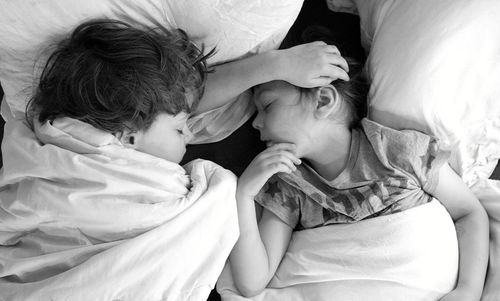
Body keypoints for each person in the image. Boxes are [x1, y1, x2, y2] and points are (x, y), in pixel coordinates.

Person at [229, 28, 489, 301]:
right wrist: (244, 194)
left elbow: (469, 212)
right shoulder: (289, 185)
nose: (255, 123)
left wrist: (468, 290)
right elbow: (252, 283)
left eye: (267, 105)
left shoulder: (397, 151)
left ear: (324, 100)